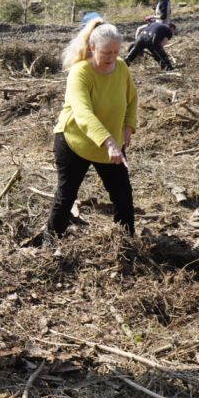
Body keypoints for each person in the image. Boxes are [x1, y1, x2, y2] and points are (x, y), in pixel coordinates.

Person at [46, 17, 137, 240]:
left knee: (123, 196)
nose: (112, 58)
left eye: (116, 52)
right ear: (92, 47)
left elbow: (132, 98)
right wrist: (109, 142)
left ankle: (126, 242)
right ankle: (50, 242)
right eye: (106, 53)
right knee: (66, 196)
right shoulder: (81, 73)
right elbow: (83, 113)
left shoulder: (122, 67)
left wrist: (128, 125)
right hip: (75, 141)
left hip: (111, 144)